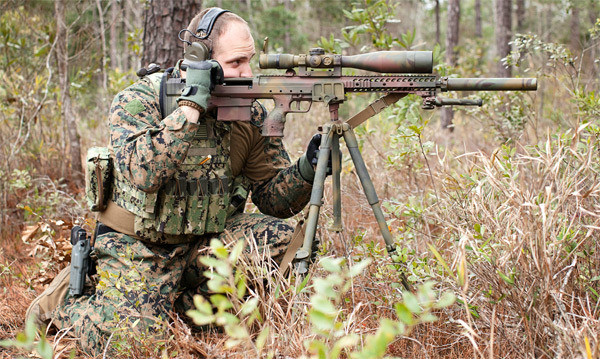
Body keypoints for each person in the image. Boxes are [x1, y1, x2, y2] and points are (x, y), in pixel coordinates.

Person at [26, 7, 325, 356]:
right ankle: (62, 303)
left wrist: (308, 167)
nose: (247, 73)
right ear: (201, 61)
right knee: (130, 345)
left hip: (205, 241)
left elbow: (274, 200)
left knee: (291, 243)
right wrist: (190, 109)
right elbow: (142, 173)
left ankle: (180, 305)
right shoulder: (140, 100)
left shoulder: (249, 113)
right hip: (140, 247)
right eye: (235, 63)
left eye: (250, 60)